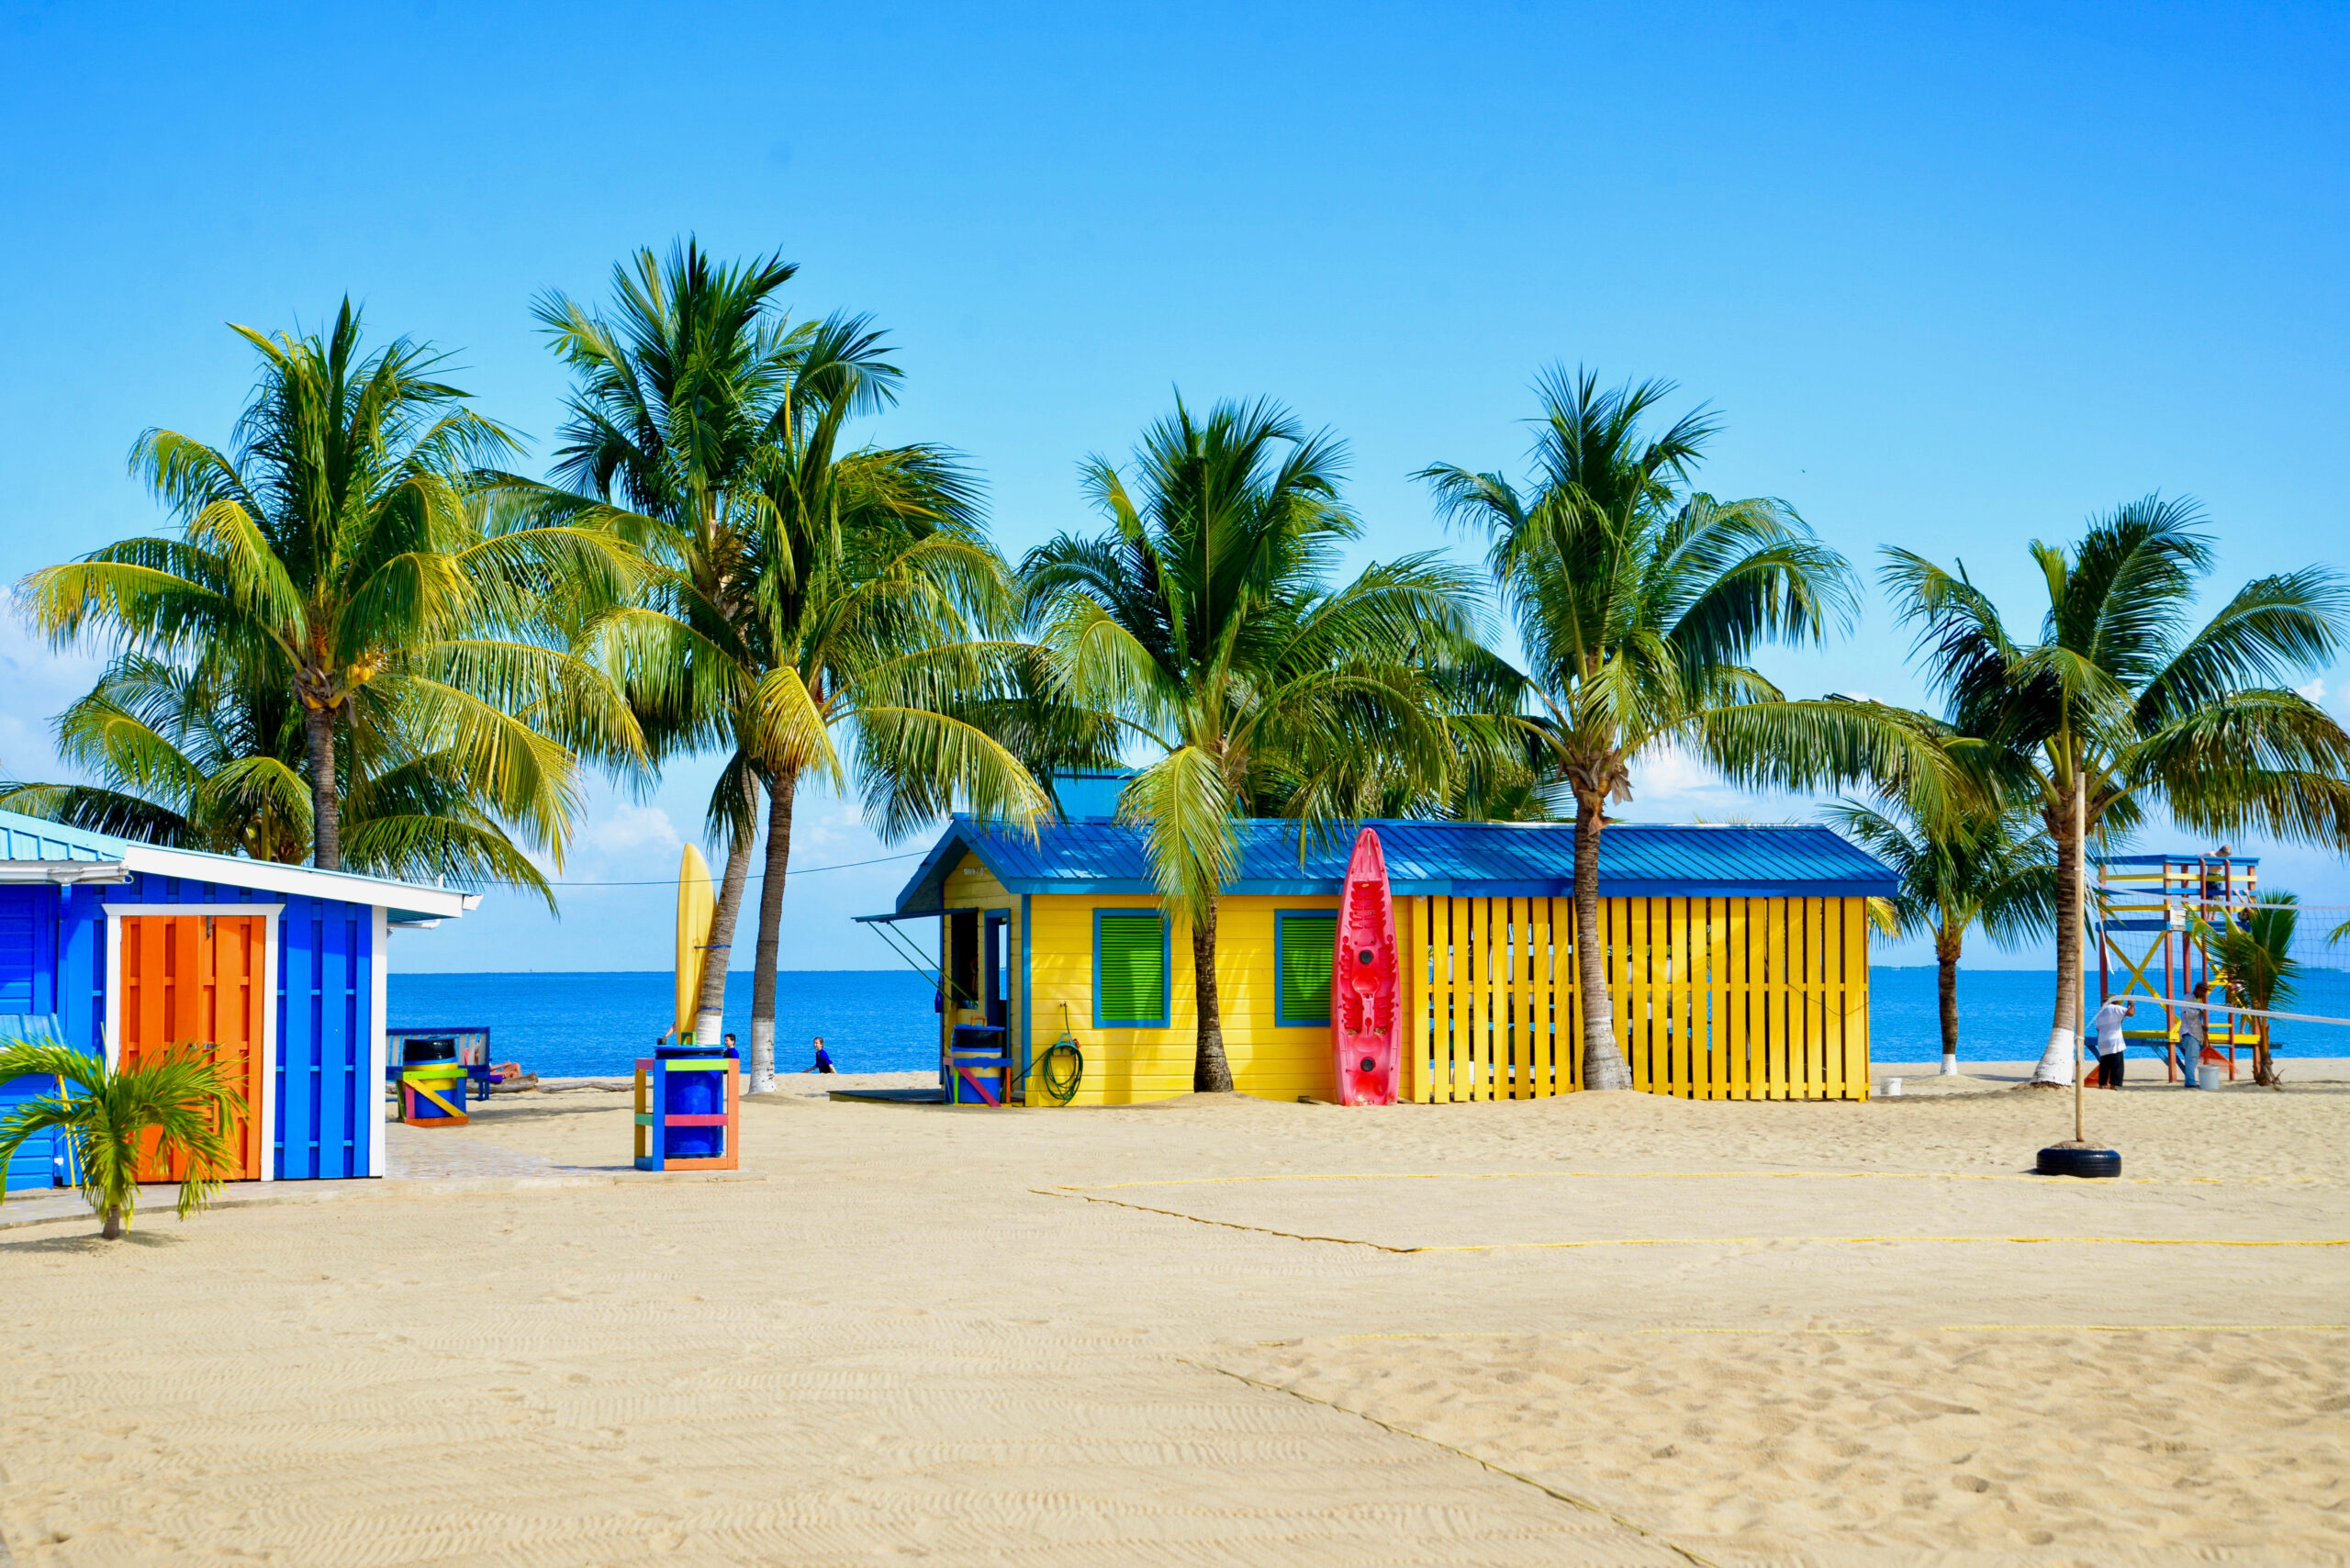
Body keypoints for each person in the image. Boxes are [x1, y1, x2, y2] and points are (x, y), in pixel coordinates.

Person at [2089, 996, 2133, 1088]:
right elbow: (2131, 1013)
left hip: (2103, 1042)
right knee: (2117, 1065)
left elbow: (2098, 1029)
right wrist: (2132, 1004)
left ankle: (2102, 1084)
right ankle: (2113, 1085)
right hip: (2114, 1042)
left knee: (2104, 1064)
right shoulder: (2115, 1008)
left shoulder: (2100, 1012)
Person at [2176, 982, 2211, 1088]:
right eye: (2202, 991)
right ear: (2196, 989)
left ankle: (2190, 1080)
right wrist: (2199, 1013)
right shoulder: (2187, 998)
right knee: (2191, 1058)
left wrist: (2202, 1026)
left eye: (2205, 992)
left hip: (2195, 1034)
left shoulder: (2197, 1001)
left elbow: (2195, 1020)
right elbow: (2185, 1012)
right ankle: (2190, 1082)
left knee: (2193, 1058)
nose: (2204, 994)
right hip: (2188, 1033)